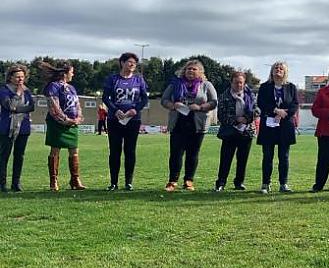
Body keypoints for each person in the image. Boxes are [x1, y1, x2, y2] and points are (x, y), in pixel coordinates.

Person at [161, 59, 218, 192]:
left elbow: (214, 102)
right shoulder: (175, 84)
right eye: (188, 69)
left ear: (200, 72)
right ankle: (172, 181)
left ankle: (189, 180)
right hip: (178, 122)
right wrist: (173, 105)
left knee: (193, 153)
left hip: (197, 123)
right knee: (176, 153)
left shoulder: (206, 85)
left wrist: (200, 107)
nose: (191, 71)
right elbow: (164, 100)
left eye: (194, 69)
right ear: (184, 71)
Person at [102, 52, 148, 191]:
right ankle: (114, 182)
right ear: (122, 63)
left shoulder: (139, 80)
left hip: (133, 120)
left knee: (130, 150)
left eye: (134, 62)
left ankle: (128, 182)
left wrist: (135, 109)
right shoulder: (113, 79)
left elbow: (144, 99)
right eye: (129, 62)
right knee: (115, 151)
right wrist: (115, 110)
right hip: (114, 119)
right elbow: (106, 97)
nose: (132, 64)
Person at [39, 61, 86, 191]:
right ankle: (53, 181)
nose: (73, 74)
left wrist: (78, 118)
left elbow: (77, 104)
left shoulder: (71, 88)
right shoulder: (52, 87)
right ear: (64, 73)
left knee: (74, 150)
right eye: (71, 71)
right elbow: (54, 106)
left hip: (72, 124)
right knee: (55, 150)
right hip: (57, 124)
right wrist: (66, 120)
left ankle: (75, 180)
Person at [256, 61, 299, 194]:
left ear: (285, 72)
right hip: (269, 125)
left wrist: (284, 114)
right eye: (276, 68)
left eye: (281, 68)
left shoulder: (291, 87)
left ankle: (283, 184)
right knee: (267, 156)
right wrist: (275, 110)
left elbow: (295, 104)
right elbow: (261, 103)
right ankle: (265, 184)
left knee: (284, 157)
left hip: (285, 126)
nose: (278, 70)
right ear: (272, 71)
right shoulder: (264, 87)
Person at [215, 72, 256, 192]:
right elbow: (221, 115)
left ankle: (239, 182)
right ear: (231, 82)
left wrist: (247, 119)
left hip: (246, 132)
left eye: (241, 82)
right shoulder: (224, 96)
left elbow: (257, 110)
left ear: (244, 83)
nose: (238, 85)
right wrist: (236, 119)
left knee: (242, 160)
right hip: (229, 132)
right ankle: (221, 183)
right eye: (236, 82)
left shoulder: (250, 95)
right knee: (225, 159)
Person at [0, 64, 35, 192]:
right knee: (4, 156)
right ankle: (2, 184)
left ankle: (16, 183)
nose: (20, 79)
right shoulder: (4, 90)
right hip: (7, 127)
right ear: (10, 77)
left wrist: (16, 109)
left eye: (22, 77)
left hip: (23, 127)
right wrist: (17, 95)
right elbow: (8, 106)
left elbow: (31, 107)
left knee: (19, 156)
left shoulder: (27, 90)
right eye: (17, 77)